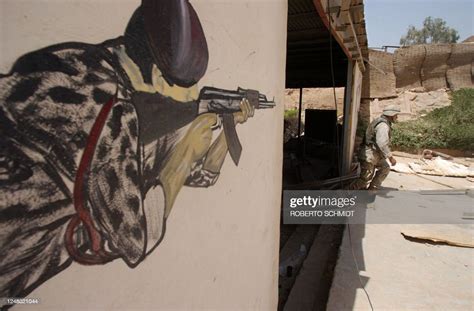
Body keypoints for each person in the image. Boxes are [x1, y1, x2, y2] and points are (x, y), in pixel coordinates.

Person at [351, 105, 401, 190]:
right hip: (370, 154)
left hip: (375, 154)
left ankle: (372, 190)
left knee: (385, 168)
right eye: (396, 115)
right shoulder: (383, 126)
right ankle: (344, 193)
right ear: (391, 115)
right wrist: (390, 157)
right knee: (364, 179)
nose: (397, 117)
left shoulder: (381, 122)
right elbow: (382, 143)